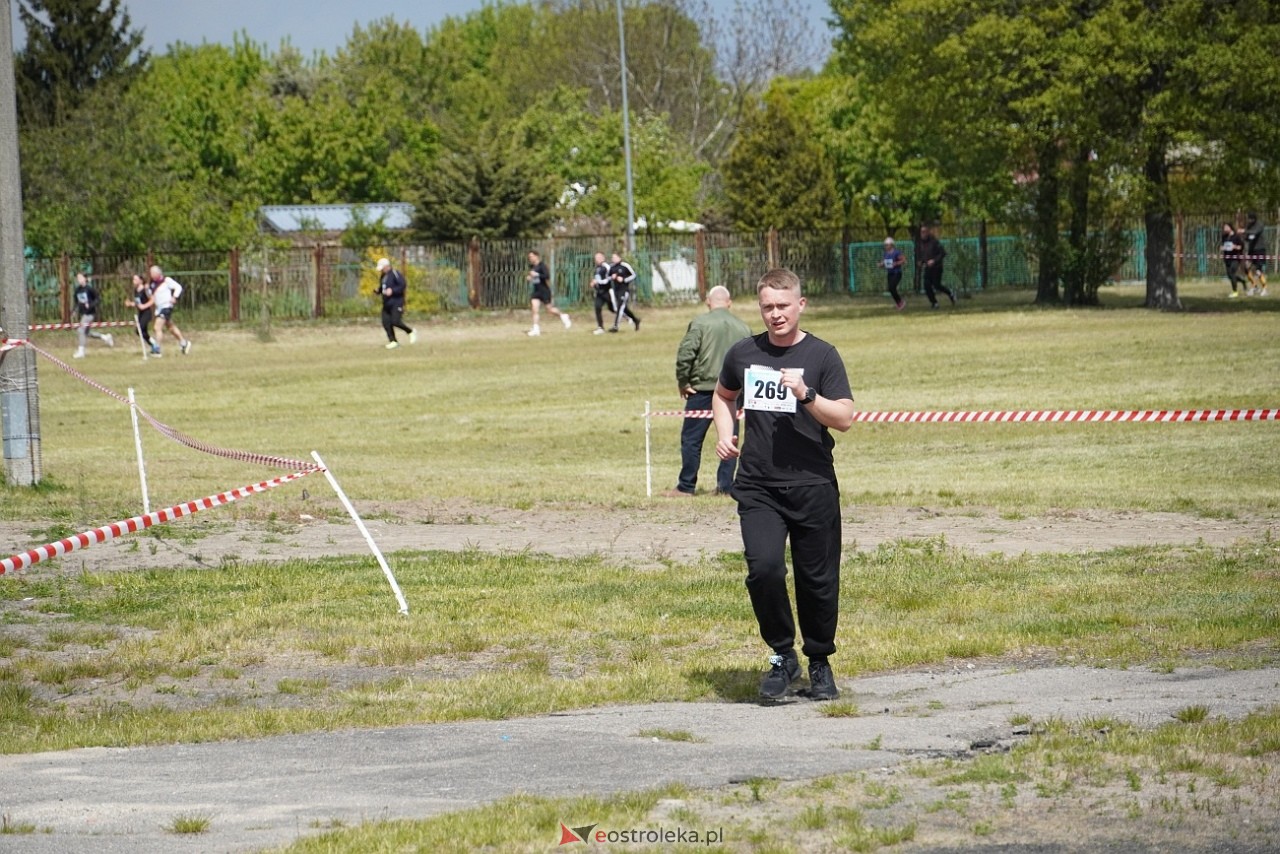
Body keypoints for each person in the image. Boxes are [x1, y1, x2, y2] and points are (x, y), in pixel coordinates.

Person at [711, 268, 854, 702]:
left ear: (800, 305)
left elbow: (845, 418)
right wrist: (724, 433)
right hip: (757, 486)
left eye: (783, 306)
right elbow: (722, 394)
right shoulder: (744, 353)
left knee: (818, 579)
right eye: (767, 307)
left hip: (812, 484)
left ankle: (818, 661)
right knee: (765, 569)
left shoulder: (823, 356)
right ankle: (781, 655)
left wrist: (807, 395)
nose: (775, 315)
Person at [666, 286, 751, 498]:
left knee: (692, 440)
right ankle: (725, 486)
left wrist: (683, 381)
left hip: (703, 389)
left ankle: (686, 485)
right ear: (729, 302)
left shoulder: (700, 323)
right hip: (734, 391)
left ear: (708, 301)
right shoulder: (743, 327)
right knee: (729, 439)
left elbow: (686, 353)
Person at [526, 250, 571, 336]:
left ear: (536, 256)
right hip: (536, 291)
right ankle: (536, 329)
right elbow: (533, 278)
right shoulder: (532, 267)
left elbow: (547, 276)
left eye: (531, 256)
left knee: (550, 309)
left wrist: (537, 275)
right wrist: (530, 278)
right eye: (529, 257)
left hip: (544, 291)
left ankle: (563, 316)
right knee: (534, 309)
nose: (530, 258)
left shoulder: (542, 266)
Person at [149, 266, 191, 356]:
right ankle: (184, 343)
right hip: (159, 309)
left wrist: (174, 297)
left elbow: (178, 287)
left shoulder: (166, 280)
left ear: (158, 273)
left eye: (152, 273)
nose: (151, 275)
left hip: (166, 307)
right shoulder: (152, 284)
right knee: (171, 327)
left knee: (157, 327)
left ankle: (157, 350)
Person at [376, 258, 416, 349]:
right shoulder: (383, 276)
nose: (381, 270)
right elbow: (383, 288)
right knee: (386, 322)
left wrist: (393, 291)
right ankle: (393, 341)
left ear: (387, 266)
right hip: (386, 303)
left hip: (396, 302)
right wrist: (378, 291)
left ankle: (410, 331)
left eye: (382, 268)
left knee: (396, 321)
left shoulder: (395, 274)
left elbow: (402, 285)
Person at [71, 271, 113, 358]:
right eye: (78, 278)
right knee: (87, 333)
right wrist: (74, 311)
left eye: (80, 278)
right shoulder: (77, 290)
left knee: (81, 330)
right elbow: (76, 302)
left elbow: (97, 299)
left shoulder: (90, 289)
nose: (79, 280)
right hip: (83, 314)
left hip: (90, 314)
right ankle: (106, 337)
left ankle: (81, 351)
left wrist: (90, 305)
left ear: (85, 278)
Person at [916, 224, 955, 309]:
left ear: (928, 232)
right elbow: (920, 255)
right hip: (928, 268)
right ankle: (934, 303)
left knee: (937, 285)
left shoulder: (934, 242)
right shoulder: (920, 244)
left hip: (937, 267)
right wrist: (920, 261)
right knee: (926, 285)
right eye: (921, 232)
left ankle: (950, 293)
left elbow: (943, 253)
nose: (923, 234)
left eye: (924, 232)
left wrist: (934, 260)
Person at [124, 272, 160, 355]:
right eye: (133, 279)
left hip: (147, 313)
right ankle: (153, 345)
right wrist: (130, 304)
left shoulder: (145, 290)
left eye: (135, 279)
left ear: (140, 280)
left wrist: (144, 306)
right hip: (140, 313)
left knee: (139, 329)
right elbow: (138, 303)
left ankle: (155, 345)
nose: (133, 281)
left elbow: (152, 300)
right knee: (141, 332)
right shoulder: (136, 290)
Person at [607, 252, 641, 332]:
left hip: (624, 290)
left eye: (614, 257)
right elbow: (607, 277)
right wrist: (612, 277)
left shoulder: (625, 266)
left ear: (619, 258)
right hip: (616, 290)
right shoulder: (611, 267)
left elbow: (634, 275)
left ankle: (615, 326)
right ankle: (636, 320)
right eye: (612, 258)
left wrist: (624, 279)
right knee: (624, 309)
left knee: (620, 307)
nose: (613, 259)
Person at [1242, 212, 1268, 297]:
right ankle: (1255, 287)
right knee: (1246, 268)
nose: (1249, 220)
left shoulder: (1259, 225)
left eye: (1251, 219)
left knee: (1258, 270)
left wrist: (1244, 231)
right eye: (1248, 219)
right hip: (1251, 250)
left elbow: (1255, 232)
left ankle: (1265, 288)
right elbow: (1246, 237)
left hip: (1260, 250)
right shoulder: (1248, 226)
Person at [590, 252, 615, 335]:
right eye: (596, 257)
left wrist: (598, 282)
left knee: (613, 309)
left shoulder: (606, 267)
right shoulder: (597, 268)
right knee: (597, 307)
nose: (597, 259)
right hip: (600, 292)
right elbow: (597, 279)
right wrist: (594, 284)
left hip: (607, 291)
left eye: (599, 257)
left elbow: (609, 279)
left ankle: (628, 317)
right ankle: (600, 327)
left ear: (603, 258)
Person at [1221, 223, 1247, 298]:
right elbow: (1223, 245)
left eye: (1226, 227)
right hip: (1227, 258)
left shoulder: (1236, 236)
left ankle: (1235, 291)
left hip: (1235, 258)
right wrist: (1222, 248)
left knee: (1232, 272)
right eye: (1224, 227)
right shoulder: (1224, 237)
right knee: (1230, 275)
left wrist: (1235, 247)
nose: (1225, 229)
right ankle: (1242, 281)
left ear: (1230, 227)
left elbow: (1241, 246)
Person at [882, 237, 907, 310]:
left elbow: (904, 260)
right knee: (891, 289)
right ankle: (899, 302)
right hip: (890, 273)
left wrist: (896, 263)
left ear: (891, 245)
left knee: (892, 287)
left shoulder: (896, 252)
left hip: (897, 273)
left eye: (887, 245)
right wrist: (881, 264)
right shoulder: (885, 253)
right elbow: (884, 262)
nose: (886, 246)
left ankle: (901, 302)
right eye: (885, 245)